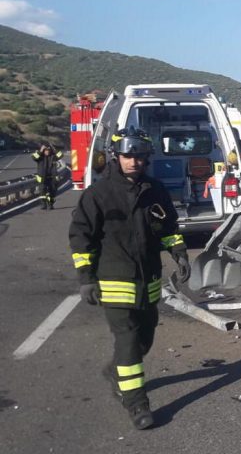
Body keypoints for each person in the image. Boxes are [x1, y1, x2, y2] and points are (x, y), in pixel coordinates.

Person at [69, 128, 190, 430]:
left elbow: (167, 227)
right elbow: (81, 237)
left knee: (144, 338)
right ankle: (136, 403)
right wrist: (85, 277)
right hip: (114, 279)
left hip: (148, 279)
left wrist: (179, 252)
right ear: (116, 156)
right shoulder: (97, 194)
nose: (134, 161)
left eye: (139, 156)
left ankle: (115, 371)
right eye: (128, 155)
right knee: (128, 338)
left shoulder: (155, 190)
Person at [31, 141, 62, 209]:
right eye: (46, 150)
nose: (47, 152)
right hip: (42, 177)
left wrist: (53, 148)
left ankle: (50, 204)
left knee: (52, 192)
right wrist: (41, 150)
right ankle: (43, 204)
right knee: (42, 192)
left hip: (52, 177)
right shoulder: (40, 157)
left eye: (48, 150)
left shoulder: (53, 156)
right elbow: (34, 157)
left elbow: (60, 155)